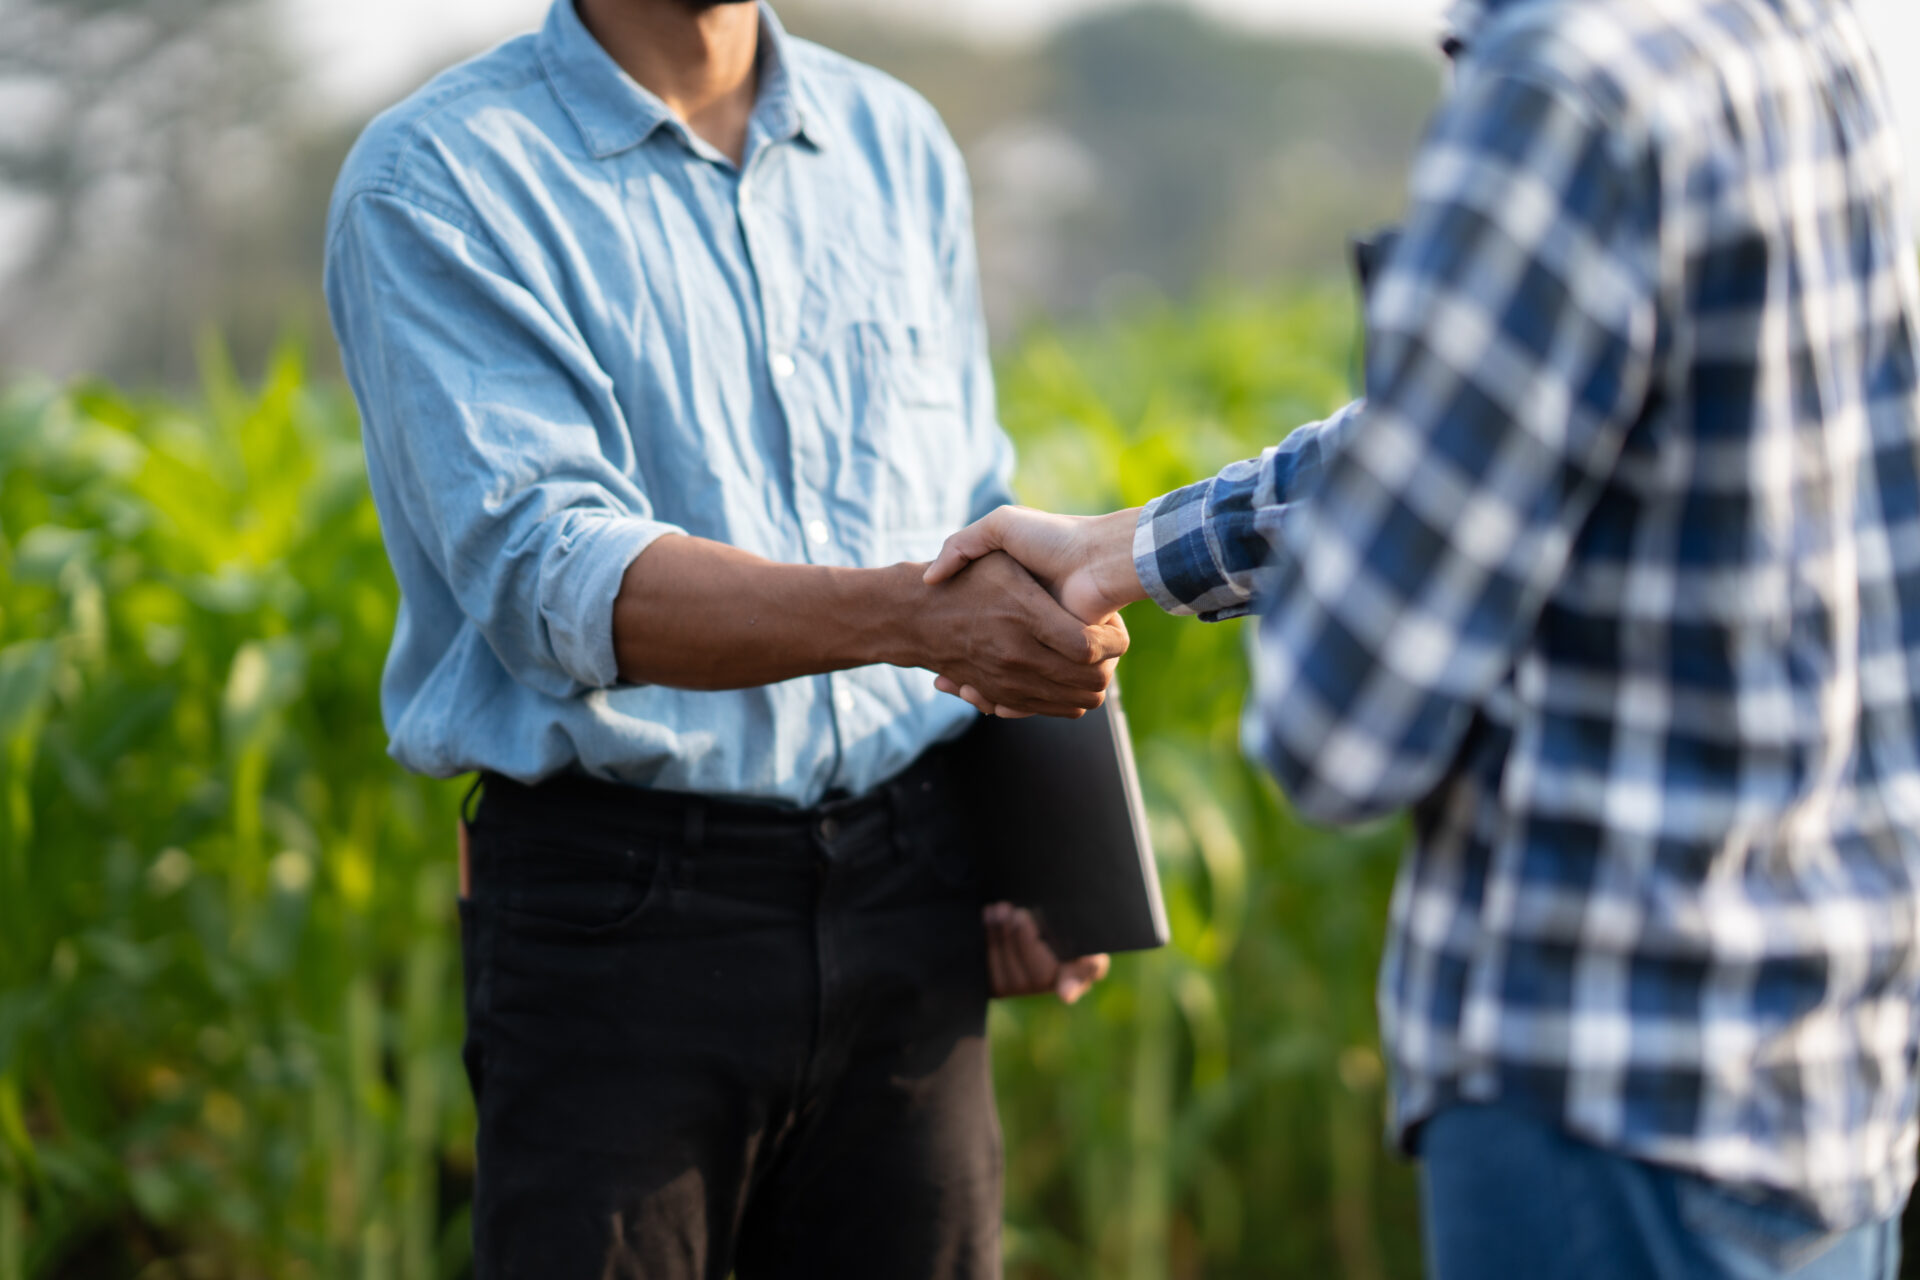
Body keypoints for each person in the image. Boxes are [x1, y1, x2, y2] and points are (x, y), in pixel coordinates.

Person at [927, 0, 1920, 1275]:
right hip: (1820, 1082)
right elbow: (1553, 417)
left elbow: (1343, 727)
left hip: (1602, 1092)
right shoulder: (1785, 31)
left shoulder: (1561, 88)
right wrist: (1131, 546)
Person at [322, 0, 1121, 1274]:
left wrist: (1041, 843)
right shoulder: (445, 176)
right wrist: (910, 621)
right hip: (627, 910)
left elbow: (977, 505)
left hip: (913, 880)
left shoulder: (893, 142)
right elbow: (555, 577)